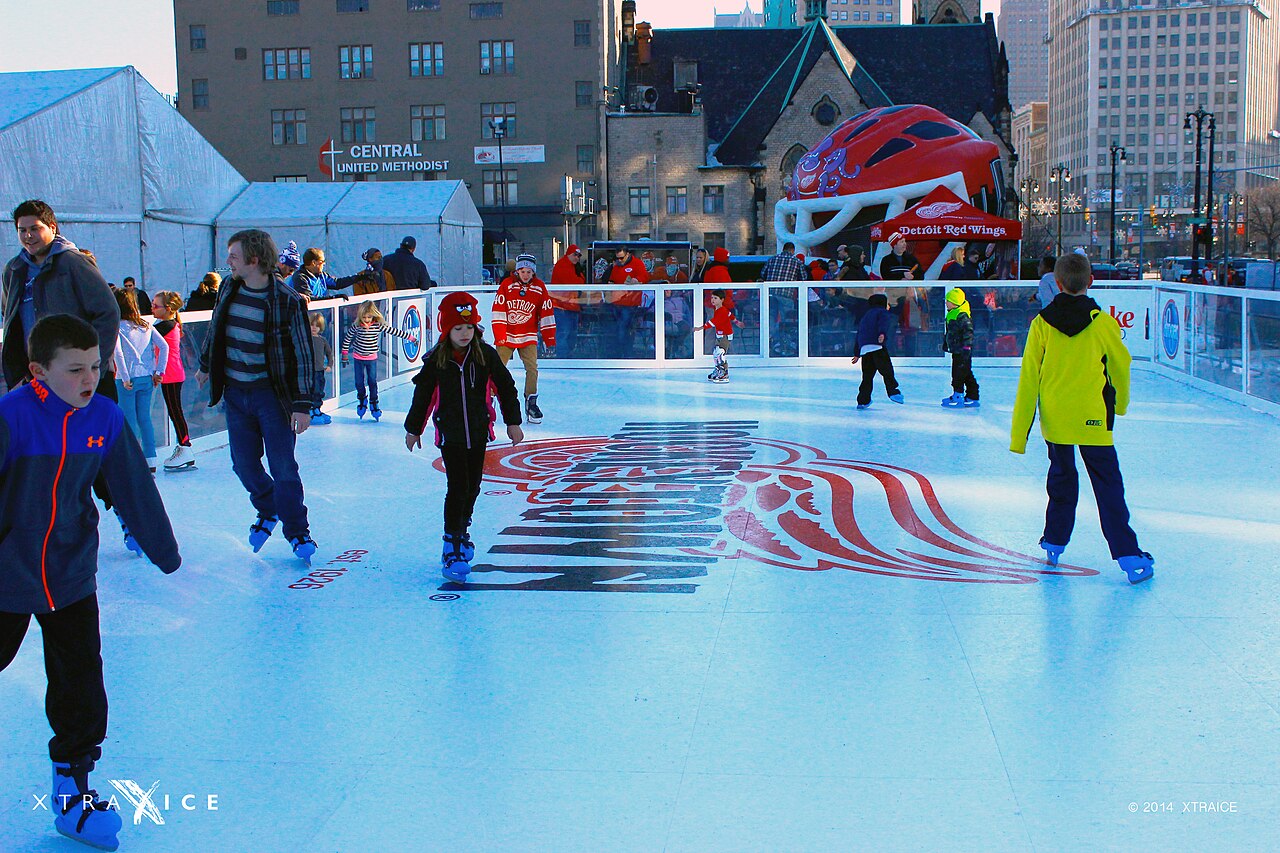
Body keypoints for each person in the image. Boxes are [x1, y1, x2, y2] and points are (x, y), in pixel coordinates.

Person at [0, 314, 180, 853]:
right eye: (74, 369)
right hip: (7, 575)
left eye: (96, 367)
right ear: (38, 371)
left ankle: (73, 791)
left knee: (81, 683)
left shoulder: (103, 416)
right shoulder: (11, 418)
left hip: (71, 574)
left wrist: (162, 550)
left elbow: (131, 486)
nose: (88, 378)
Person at [1010, 252, 1154, 583]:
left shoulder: (1041, 324)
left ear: (1057, 284)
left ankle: (1054, 541)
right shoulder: (1104, 324)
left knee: (1062, 479)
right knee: (1108, 487)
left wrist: (1020, 435)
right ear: (1090, 281)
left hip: (1057, 420)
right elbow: (1121, 365)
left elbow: (1029, 379)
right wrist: (1120, 405)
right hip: (1094, 418)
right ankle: (1129, 555)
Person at [196, 229, 317, 563]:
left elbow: (305, 354)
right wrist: (207, 364)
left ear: (253, 259)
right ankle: (268, 508)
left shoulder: (285, 300)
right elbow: (216, 328)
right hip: (236, 394)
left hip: (271, 397)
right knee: (243, 465)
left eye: (233, 256)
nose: (227, 262)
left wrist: (303, 404)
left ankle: (298, 531)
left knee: (283, 469)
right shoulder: (229, 288)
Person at [404, 292, 523, 583]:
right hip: (451, 434)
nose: (464, 333)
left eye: (469, 327)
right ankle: (452, 544)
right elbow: (423, 396)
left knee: (473, 486)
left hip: (479, 432)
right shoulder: (437, 361)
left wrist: (513, 422)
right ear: (446, 329)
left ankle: (463, 529)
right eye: (458, 328)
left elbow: (506, 387)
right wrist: (414, 427)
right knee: (457, 486)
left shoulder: (485, 355)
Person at [3, 200, 119, 399]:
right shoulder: (14, 270)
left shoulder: (73, 263)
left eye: (35, 228)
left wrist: (91, 365)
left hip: (81, 379)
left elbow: (108, 312)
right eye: (22, 230)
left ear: (52, 228)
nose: (28, 236)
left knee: (89, 429)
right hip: (39, 377)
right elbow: (10, 318)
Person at [493, 253, 555, 424]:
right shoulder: (507, 285)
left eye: (529, 271)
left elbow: (546, 312)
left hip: (528, 336)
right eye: (522, 271)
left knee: (532, 369)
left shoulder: (539, 287)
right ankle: (488, 402)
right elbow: (498, 310)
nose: (525, 274)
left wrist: (549, 338)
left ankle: (531, 403)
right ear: (517, 271)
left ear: (533, 272)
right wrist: (500, 335)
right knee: (497, 368)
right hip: (507, 334)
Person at [112, 288, 167, 475]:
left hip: (127, 378)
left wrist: (125, 377)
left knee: (129, 420)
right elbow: (164, 346)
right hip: (146, 377)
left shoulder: (118, 327)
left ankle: (132, 461)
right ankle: (151, 460)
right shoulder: (146, 325)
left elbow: (118, 353)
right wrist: (159, 371)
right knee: (145, 418)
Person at [340, 300, 417, 421]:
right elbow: (347, 339)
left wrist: (411, 338)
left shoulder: (378, 325)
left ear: (374, 315)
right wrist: (344, 355)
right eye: (364, 317)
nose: (366, 320)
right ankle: (362, 399)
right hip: (358, 358)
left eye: (369, 317)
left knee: (372, 382)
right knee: (359, 382)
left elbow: (394, 331)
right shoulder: (356, 326)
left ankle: (374, 402)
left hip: (371, 359)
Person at [151, 290, 196, 470]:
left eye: (156, 306)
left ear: (168, 309)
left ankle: (185, 447)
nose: (152, 308)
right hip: (172, 373)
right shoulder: (168, 324)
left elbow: (147, 333)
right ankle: (184, 446)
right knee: (174, 410)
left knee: (175, 411)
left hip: (171, 374)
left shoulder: (167, 325)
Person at [850, 292, 903, 409]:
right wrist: (882, 333)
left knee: (867, 376)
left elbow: (860, 333)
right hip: (877, 346)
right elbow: (883, 323)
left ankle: (863, 400)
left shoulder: (866, 316)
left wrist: (857, 353)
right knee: (886, 370)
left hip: (865, 349)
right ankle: (893, 392)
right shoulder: (882, 312)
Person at [607, 245, 650, 355]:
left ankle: (625, 353)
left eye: (621, 258)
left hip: (630, 304)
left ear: (628, 254)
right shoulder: (617, 266)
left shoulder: (637, 264)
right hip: (616, 303)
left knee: (624, 328)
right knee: (617, 329)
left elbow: (644, 277)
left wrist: (636, 280)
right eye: (617, 258)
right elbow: (612, 280)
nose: (619, 261)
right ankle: (620, 353)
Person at [941, 287, 979, 408]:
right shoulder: (953, 313)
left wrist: (966, 348)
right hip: (957, 350)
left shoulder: (962, 316)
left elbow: (968, 332)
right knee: (965, 372)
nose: (946, 303)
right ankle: (972, 396)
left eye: (948, 300)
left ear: (955, 302)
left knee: (958, 374)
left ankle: (958, 395)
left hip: (963, 351)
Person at [697, 288, 740, 383]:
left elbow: (714, 322)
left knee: (720, 353)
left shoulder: (722, 311)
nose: (712, 300)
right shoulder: (718, 310)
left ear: (722, 300)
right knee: (716, 353)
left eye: (715, 298)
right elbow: (730, 315)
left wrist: (701, 327)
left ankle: (724, 373)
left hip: (725, 335)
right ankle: (718, 370)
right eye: (712, 298)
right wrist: (737, 321)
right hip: (719, 335)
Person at [289, 247, 362, 302]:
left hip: (319, 314)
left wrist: (359, 277)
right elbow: (309, 298)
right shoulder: (300, 278)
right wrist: (333, 298)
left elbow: (337, 283)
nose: (324, 264)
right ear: (314, 262)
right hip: (306, 316)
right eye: (322, 261)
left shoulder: (322, 275)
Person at [549, 244, 585, 357]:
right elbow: (575, 282)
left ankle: (567, 357)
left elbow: (580, 282)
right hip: (561, 306)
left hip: (571, 305)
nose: (577, 258)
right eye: (575, 255)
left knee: (571, 334)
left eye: (579, 256)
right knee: (563, 333)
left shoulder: (573, 267)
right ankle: (562, 359)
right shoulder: (562, 265)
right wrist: (580, 278)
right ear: (568, 254)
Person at [309, 313, 334, 425]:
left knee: (319, 390)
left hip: (319, 370)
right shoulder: (306, 340)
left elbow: (329, 353)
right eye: (312, 325)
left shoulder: (322, 340)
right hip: (309, 370)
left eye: (317, 326)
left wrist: (329, 365)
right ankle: (311, 410)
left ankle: (317, 409)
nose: (314, 328)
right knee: (311, 390)